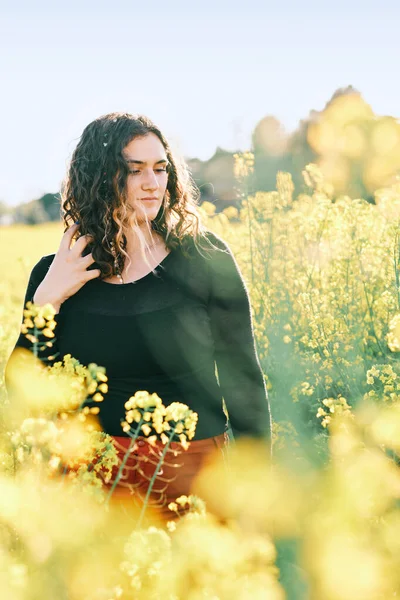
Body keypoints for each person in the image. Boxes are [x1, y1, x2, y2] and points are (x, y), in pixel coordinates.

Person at [5, 112, 271, 520]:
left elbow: (243, 380)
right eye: (135, 170)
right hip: (89, 484)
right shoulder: (55, 272)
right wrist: (48, 299)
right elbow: (23, 388)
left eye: (160, 168)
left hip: (192, 477)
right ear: (99, 177)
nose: (153, 183)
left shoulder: (204, 259)